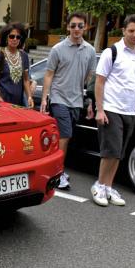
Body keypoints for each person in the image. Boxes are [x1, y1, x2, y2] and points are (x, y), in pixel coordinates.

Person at [91, 14, 135, 206]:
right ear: (124, 31)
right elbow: (99, 82)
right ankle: (99, 186)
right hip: (112, 107)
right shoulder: (112, 52)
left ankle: (109, 187)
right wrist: (100, 109)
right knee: (110, 151)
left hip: (132, 110)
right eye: (131, 31)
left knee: (119, 152)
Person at [40, 12, 96, 190]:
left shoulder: (90, 50)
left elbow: (89, 77)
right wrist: (44, 99)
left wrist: (88, 102)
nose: (77, 29)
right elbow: (49, 75)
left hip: (77, 101)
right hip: (59, 98)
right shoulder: (57, 49)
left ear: (86, 27)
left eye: (80, 26)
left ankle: (54, 167)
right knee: (65, 135)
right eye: (73, 26)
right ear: (68, 27)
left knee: (65, 137)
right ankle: (58, 172)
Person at [0, 22, 34, 108]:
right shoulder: (0, 55)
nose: (15, 39)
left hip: (18, 104)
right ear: (6, 38)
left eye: (18, 37)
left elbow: (26, 80)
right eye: (12, 36)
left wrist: (29, 97)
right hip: (1, 103)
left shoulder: (24, 56)